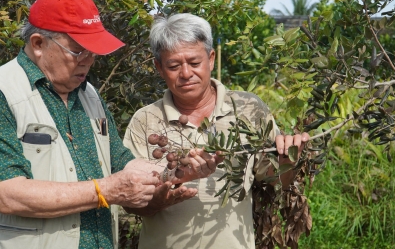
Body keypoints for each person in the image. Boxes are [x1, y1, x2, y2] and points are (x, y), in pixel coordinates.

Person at [0, 0, 221, 249]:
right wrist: (105, 190)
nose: (89, 61)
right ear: (38, 44)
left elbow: (120, 163)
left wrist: (173, 173)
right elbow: (9, 196)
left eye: (93, 51)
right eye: (78, 51)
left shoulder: (88, 94)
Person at [123, 13, 310, 248]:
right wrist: (167, 190)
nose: (186, 74)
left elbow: (277, 179)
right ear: (159, 68)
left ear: (211, 59)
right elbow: (129, 203)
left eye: (194, 63)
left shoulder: (248, 108)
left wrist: (288, 159)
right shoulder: (145, 121)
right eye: (173, 66)